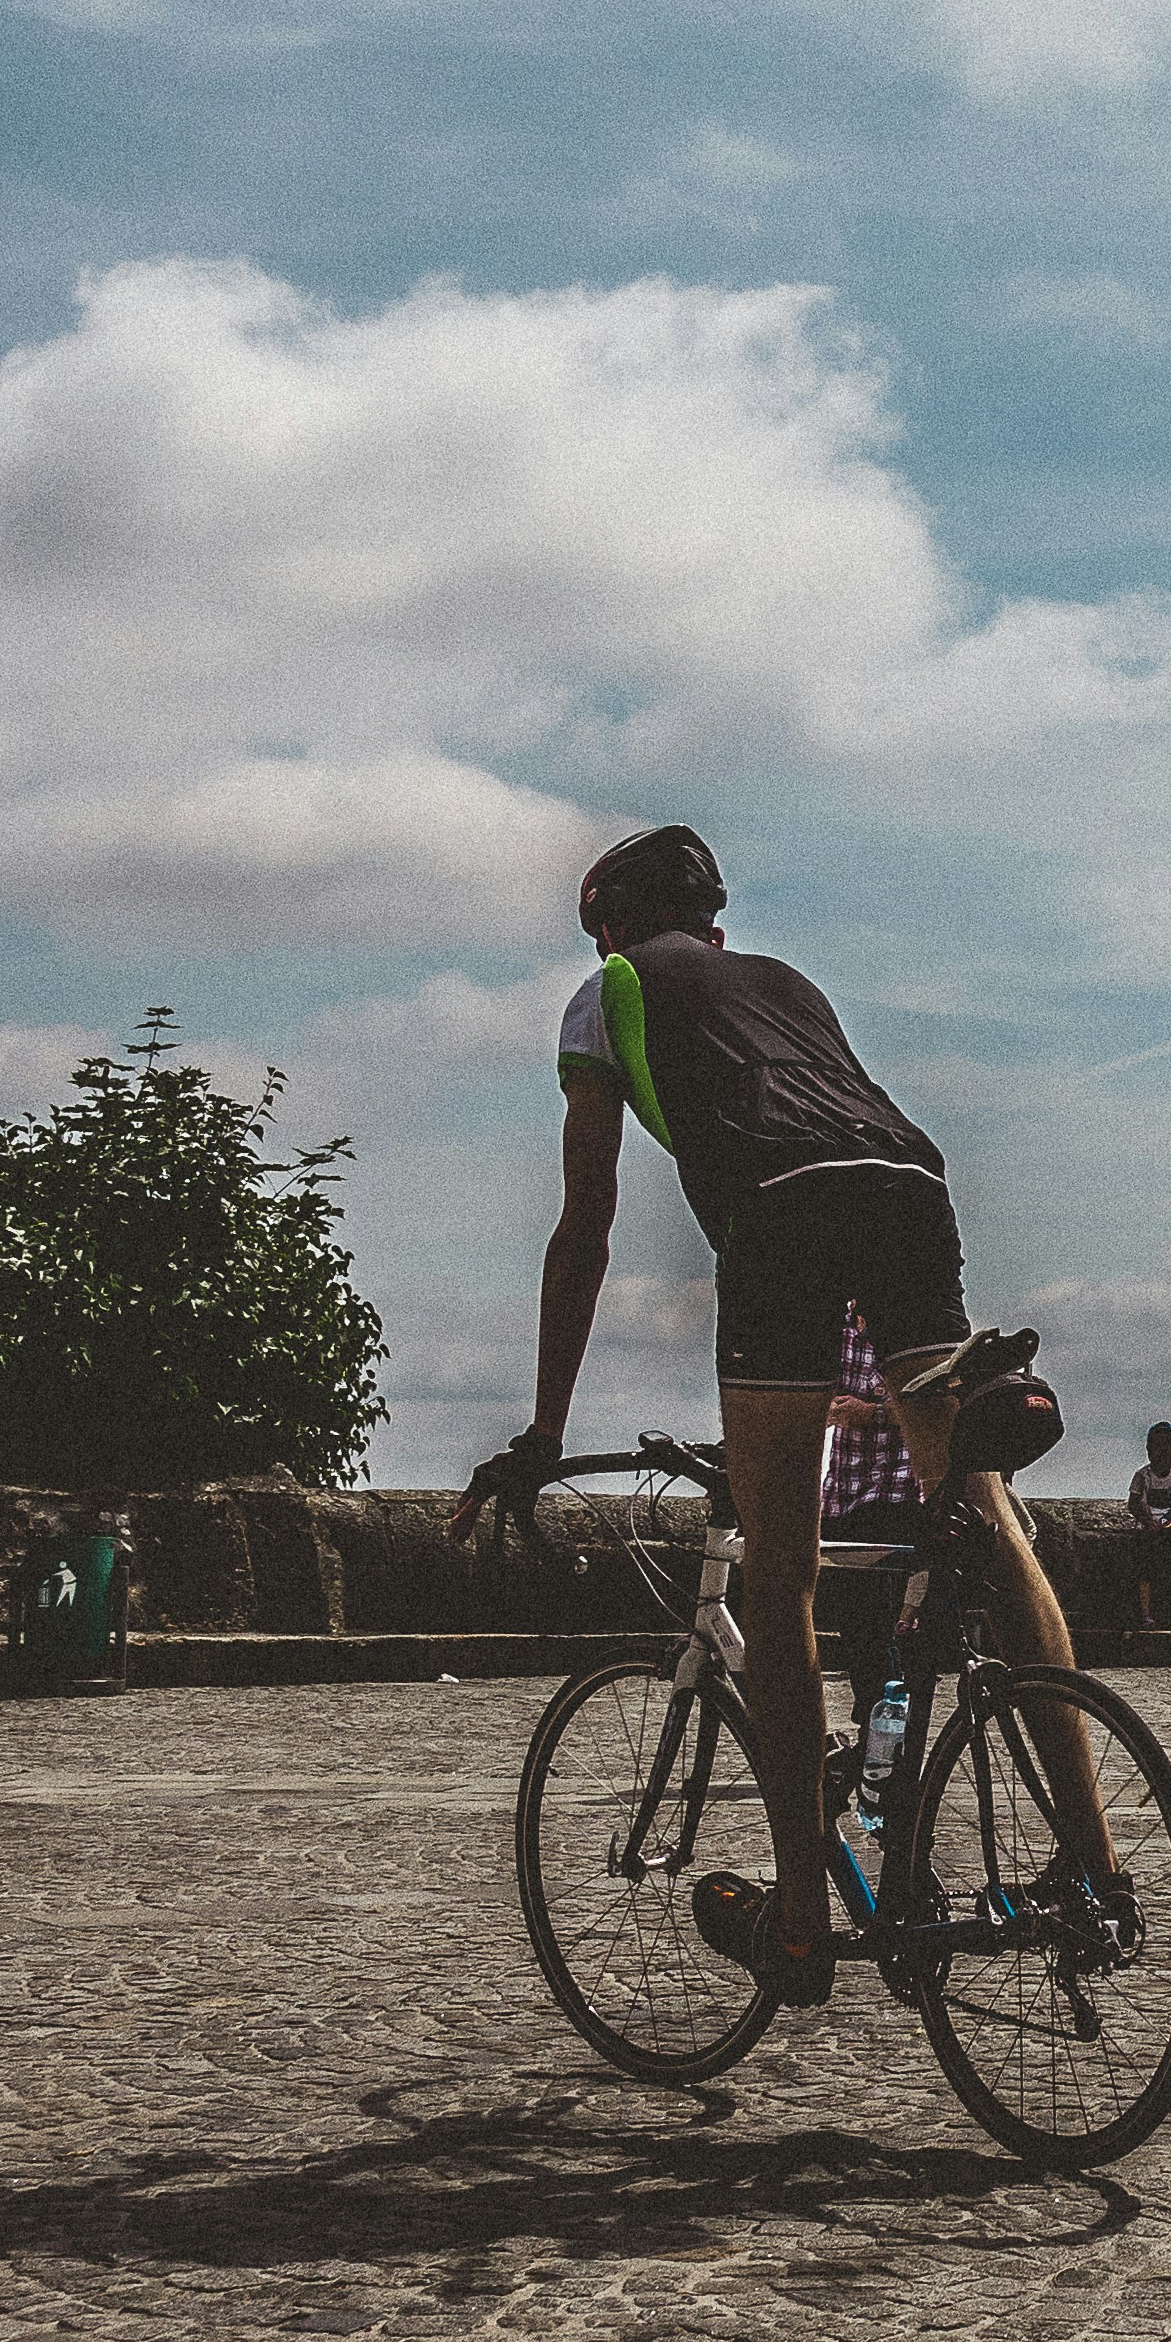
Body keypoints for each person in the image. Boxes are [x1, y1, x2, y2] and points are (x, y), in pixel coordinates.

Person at [459, 824, 1102, 2003]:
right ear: (710, 919)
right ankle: (1097, 1870)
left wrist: (545, 1430)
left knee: (782, 1570)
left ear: (608, 923)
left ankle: (801, 1923)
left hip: (780, 1213)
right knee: (988, 1519)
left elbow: (585, 1221)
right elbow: (844, 1130)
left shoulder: (604, 993)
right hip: (910, 1186)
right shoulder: (789, 984)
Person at [822, 1302, 926, 1540]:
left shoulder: (913, 1324)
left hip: (897, 1492)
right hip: (839, 1497)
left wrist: (873, 1413)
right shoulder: (835, 1326)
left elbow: (934, 1407)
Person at [1125, 1421, 1171, 1634]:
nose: (1163, 1451)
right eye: (1157, 1446)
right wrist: (1148, 1523)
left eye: (1168, 1446)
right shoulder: (1142, 1476)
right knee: (1145, 1572)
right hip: (1149, 1529)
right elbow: (1133, 1504)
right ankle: (1146, 1615)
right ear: (1148, 1450)